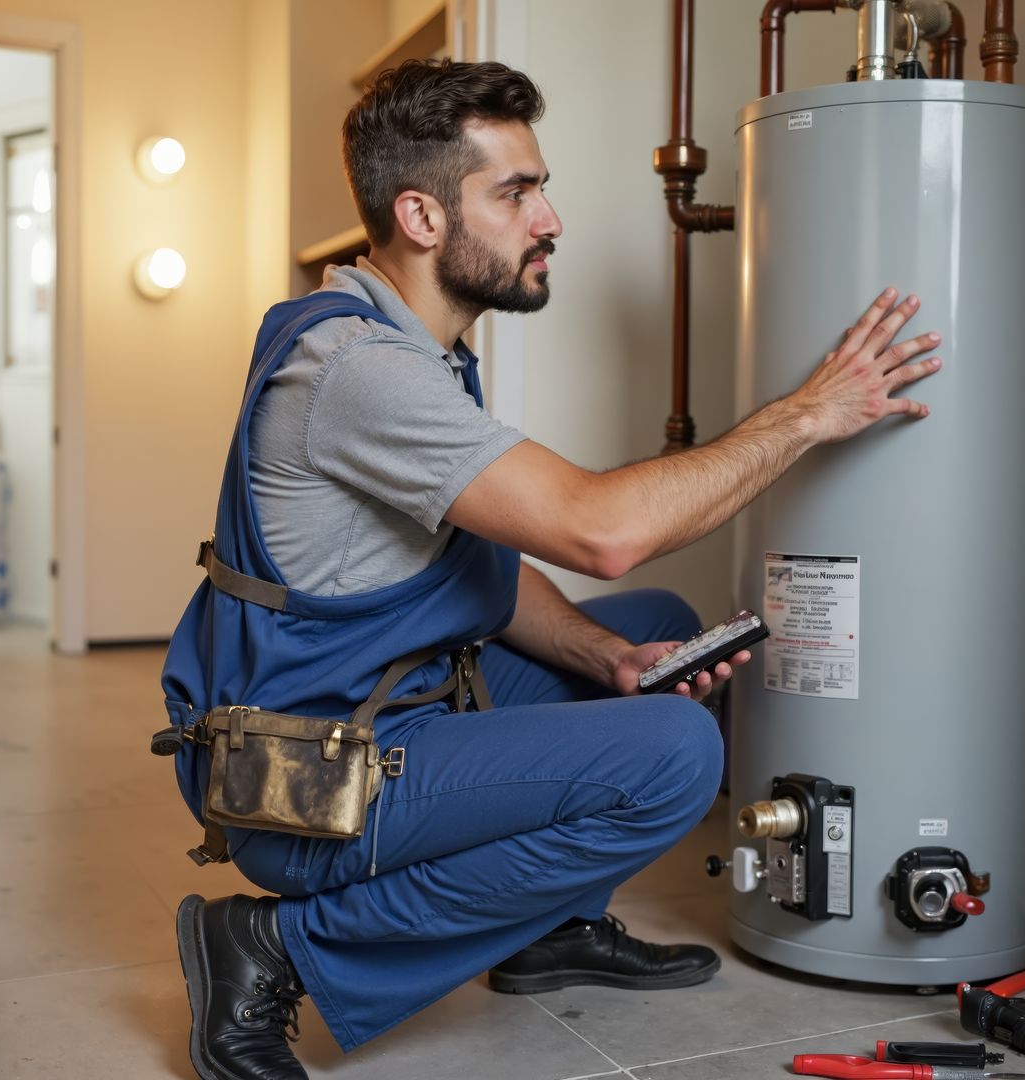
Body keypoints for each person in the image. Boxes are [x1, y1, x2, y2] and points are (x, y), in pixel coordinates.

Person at [159, 59, 942, 1080]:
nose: (553, 218)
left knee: (648, 632)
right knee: (669, 752)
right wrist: (810, 412)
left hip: (384, 713)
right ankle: (271, 949)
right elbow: (597, 531)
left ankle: (544, 928)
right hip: (306, 783)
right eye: (516, 192)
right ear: (424, 218)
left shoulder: (418, 350)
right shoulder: (362, 374)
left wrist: (605, 652)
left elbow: (474, 563)